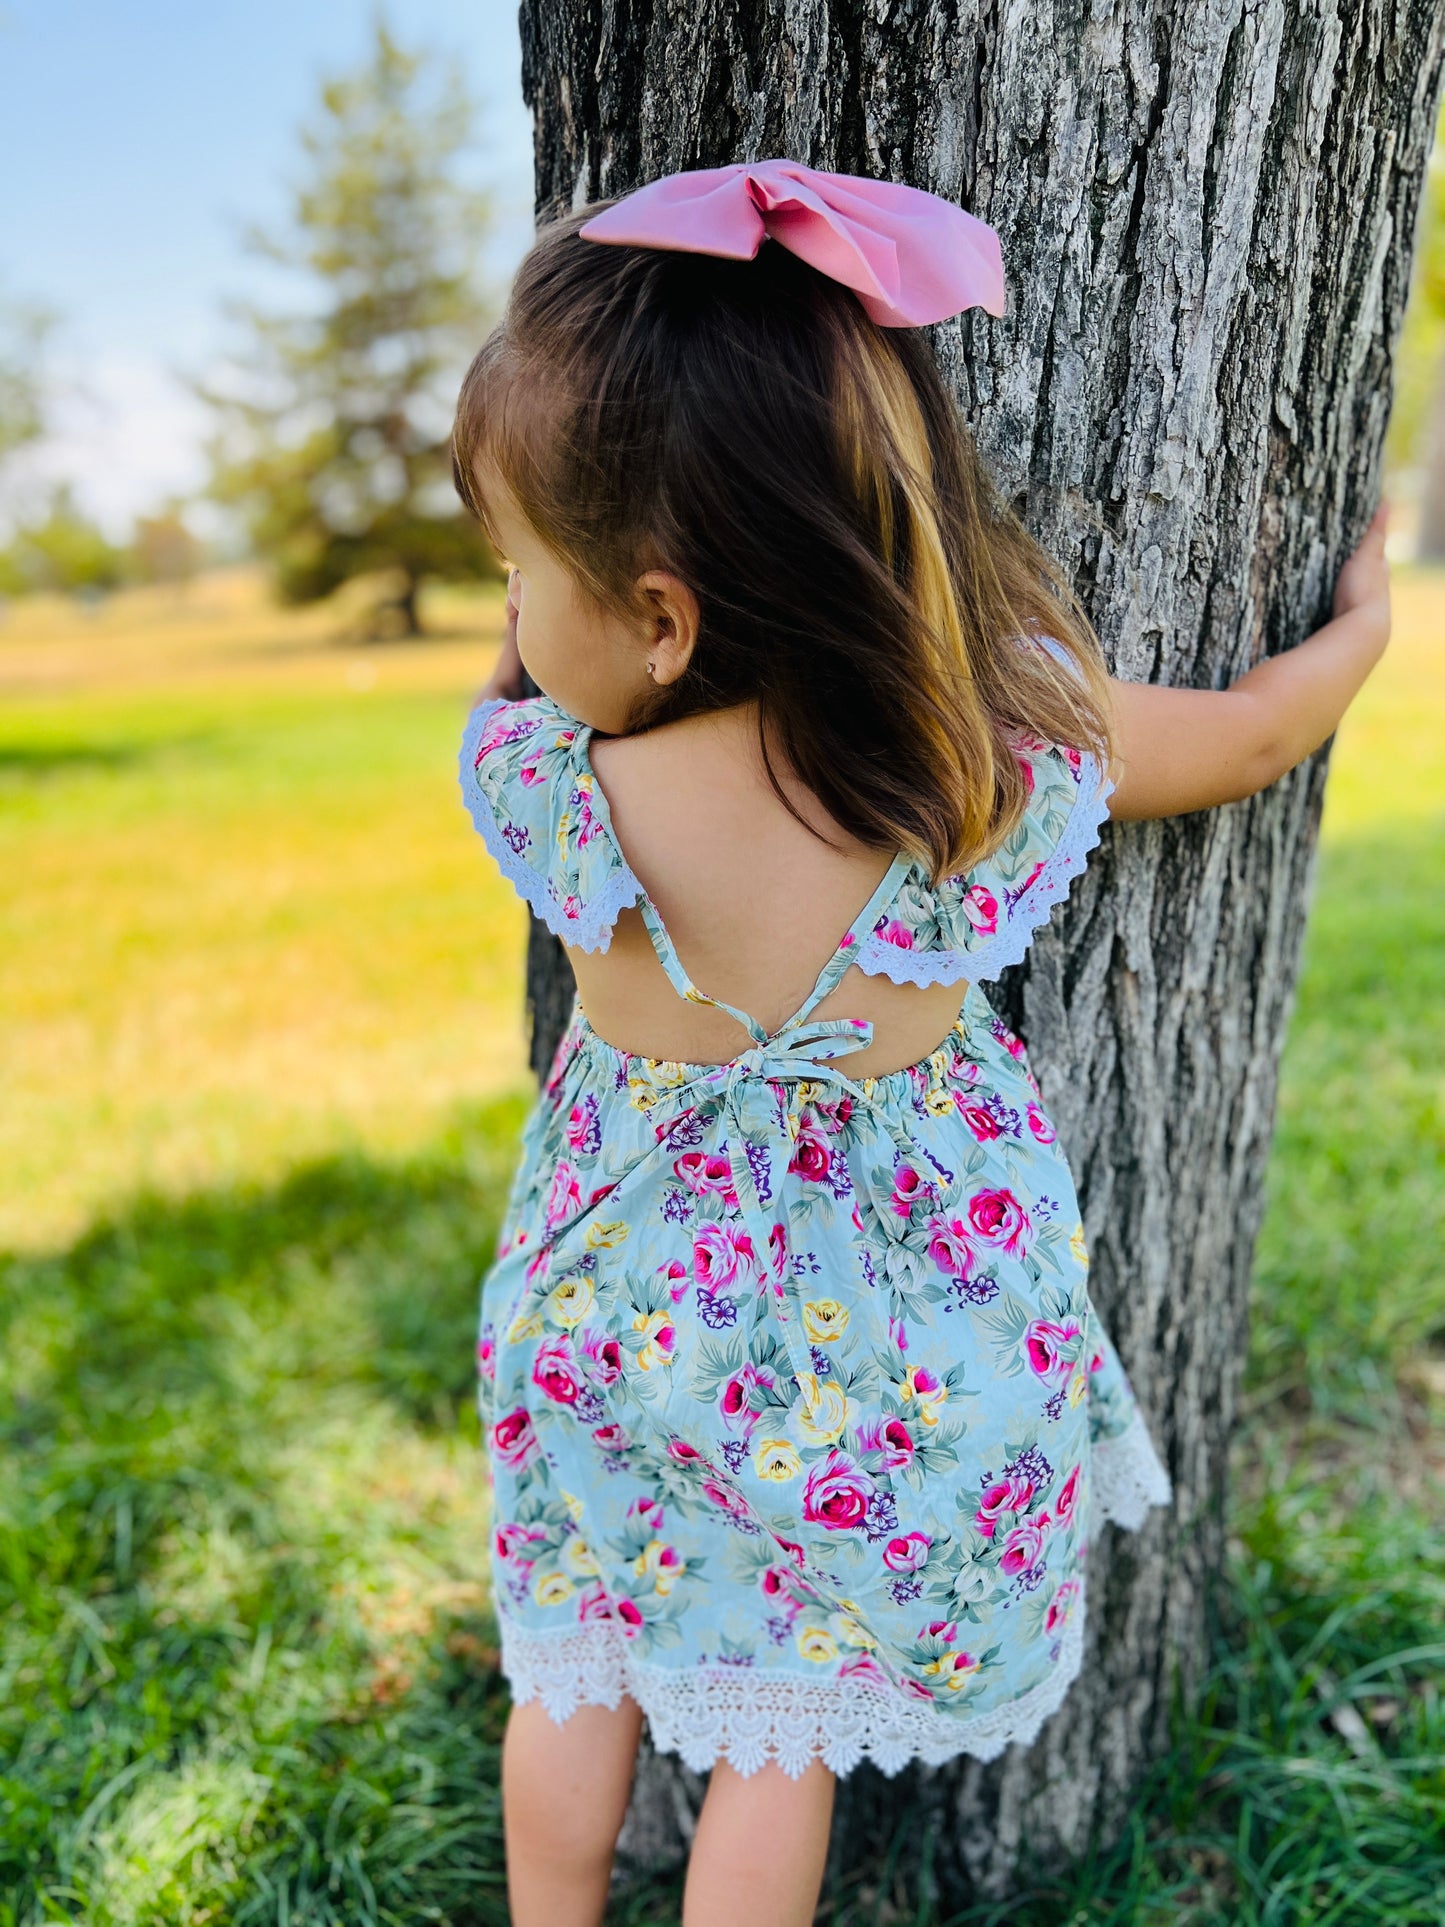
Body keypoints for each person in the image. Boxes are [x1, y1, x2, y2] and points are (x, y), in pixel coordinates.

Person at [449, 160, 1393, 1927]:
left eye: (517, 573)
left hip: (607, 1321)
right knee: (777, 1733)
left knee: (569, 1659)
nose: (511, 622)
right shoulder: (988, 750)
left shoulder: (547, 779)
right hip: (866, 1366)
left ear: (659, 614)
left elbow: (515, 699)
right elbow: (1255, 739)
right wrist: (1360, 630)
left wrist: (529, 662)